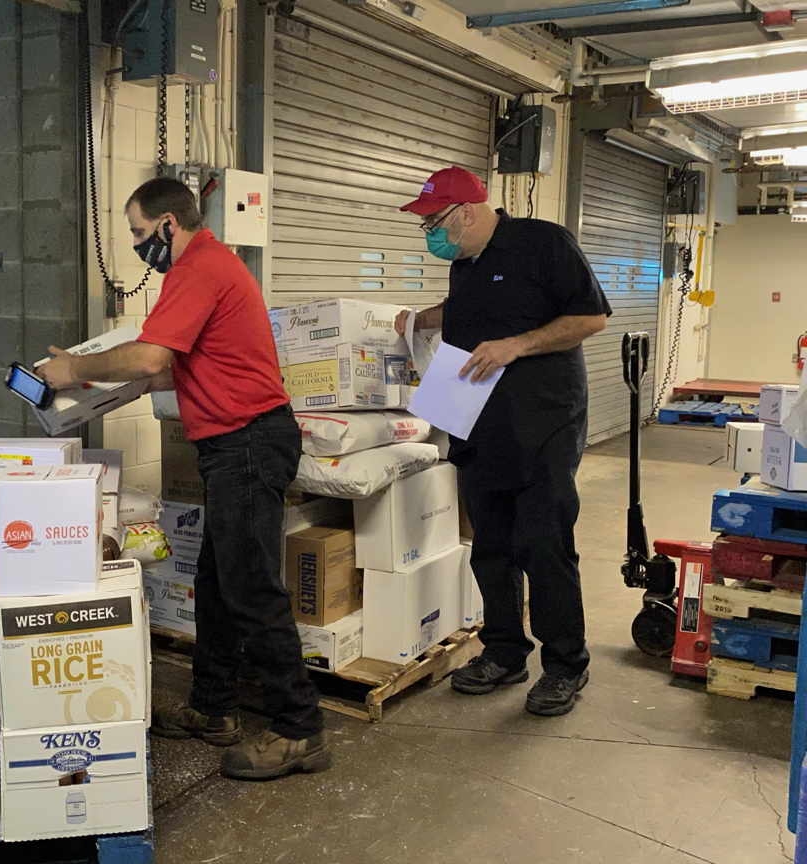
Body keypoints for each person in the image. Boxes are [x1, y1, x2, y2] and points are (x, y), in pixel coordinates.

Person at [37, 177, 330, 778]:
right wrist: (91, 381)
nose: (139, 246)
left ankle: (301, 731)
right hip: (234, 444)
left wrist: (72, 369)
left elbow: (149, 356)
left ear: (171, 224)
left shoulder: (201, 267)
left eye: (141, 233)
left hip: (247, 441)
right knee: (219, 582)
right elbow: (165, 371)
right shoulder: (199, 271)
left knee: (250, 588)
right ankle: (214, 709)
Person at [397, 166, 610, 716]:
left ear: (467, 211)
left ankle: (565, 666)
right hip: (477, 421)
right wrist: (422, 320)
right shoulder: (466, 260)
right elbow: (473, 311)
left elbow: (590, 317)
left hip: (544, 423)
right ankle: (504, 653)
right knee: (491, 548)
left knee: (543, 546)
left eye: (433, 223)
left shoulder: (544, 242)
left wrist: (517, 345)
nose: (430, 235)